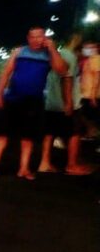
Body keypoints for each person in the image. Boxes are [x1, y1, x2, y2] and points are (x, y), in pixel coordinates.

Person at [0, 26, 68, 180]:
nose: (36, 39)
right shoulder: (19, 52)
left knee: (27, 136)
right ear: (28, 38)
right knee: (2, 134)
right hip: (13, 98)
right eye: (33, 36)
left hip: (33, 100)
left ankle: (24, 169)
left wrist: (52, 49)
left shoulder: (50, 54)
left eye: (40, 36)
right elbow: (6, 73)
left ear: (45, 38)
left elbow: (62, 70)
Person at [39, 34, 88, 175]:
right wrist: (68, 102)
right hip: (66, 102)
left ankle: (44, 163)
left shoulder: (57, 55)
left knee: (49, 133)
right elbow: (66, 79)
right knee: (74, 133)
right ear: (79, 48)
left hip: (51, 102)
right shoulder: (70, 57)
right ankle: (71, 165)